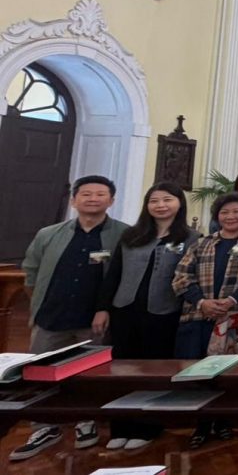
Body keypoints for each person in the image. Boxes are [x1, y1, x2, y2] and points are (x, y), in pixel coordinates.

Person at [12, 175, 129, 462]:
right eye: (86, 194)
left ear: (111, 200)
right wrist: (38, 304)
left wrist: (107, 309)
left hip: (95, 320)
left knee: (91, 374)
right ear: (74, 200)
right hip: (51, 317)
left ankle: (85, 420)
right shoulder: (49, 234)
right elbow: (31, 271)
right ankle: (44, 426)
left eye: (100, 194)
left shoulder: (123, 234)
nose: (93, 199)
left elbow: (124, 275)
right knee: (41, 372)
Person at [94, 182, 197, 449]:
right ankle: (120, 426)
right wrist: (103, 308)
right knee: (122, 369)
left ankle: (148, 426)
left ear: (179, 203)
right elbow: (114, 273)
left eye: (167, 199)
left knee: (155, 370)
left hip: (164, 313)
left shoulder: (190, 238)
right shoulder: (131, 235)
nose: (161, 205)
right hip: (125, 310)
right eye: (154, 200)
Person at [172, 193, 238, 449]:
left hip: (236, 317)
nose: (231, 216)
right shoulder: (203, 242)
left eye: (237, 211)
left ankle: (224, 420)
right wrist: (202, 302)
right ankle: (201, 423)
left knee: (229, 372)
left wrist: (231, 300)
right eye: (225, 212)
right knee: (199, 371)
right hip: (200, 315)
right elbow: (181, 276)